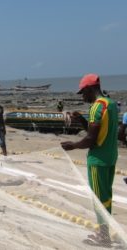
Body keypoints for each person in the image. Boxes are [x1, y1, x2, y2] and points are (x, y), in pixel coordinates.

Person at [61, 73, 118, 246]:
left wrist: (73, 145)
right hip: (110, 157)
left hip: (97, 160)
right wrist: (82, 120)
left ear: (90, 89)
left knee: (98, 199)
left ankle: (104, 236)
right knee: (106, 195)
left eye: (83, 92)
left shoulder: (96, 107)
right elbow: (99, 133)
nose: (82, 96)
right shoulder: (111, 104)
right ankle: (104, 231)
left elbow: (90, 140)